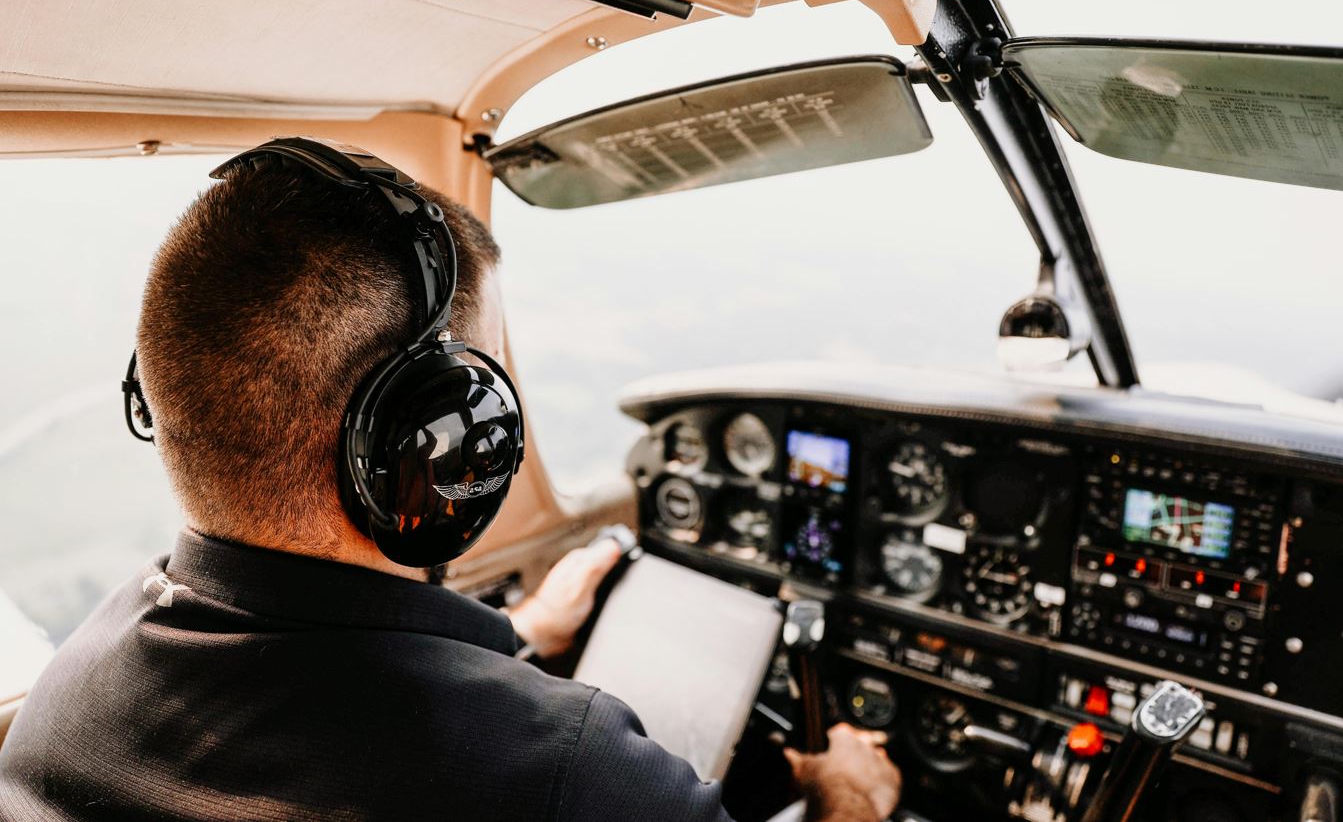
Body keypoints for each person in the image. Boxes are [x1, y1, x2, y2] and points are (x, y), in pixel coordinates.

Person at [0, 145, 901, 821]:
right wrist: (839, 793)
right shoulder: (565, 772)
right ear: (437, 443)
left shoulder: (67, 697)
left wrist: (518, 637)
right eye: (495, 381)